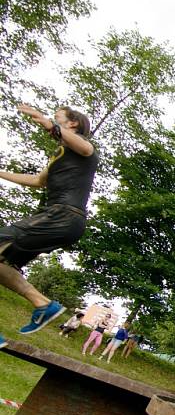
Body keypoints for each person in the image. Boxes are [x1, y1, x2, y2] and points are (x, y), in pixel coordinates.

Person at [0, 104, 98, 349]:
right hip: (61, 220)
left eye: (58, 118)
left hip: (62, 215)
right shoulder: (60, 155)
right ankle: (42, 304)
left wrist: (48, 122)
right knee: (2, 265)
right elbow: (37, 181)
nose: (52, 121)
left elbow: (85, 147)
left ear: (72, 123)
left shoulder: (83, 149)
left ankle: (44, 305)